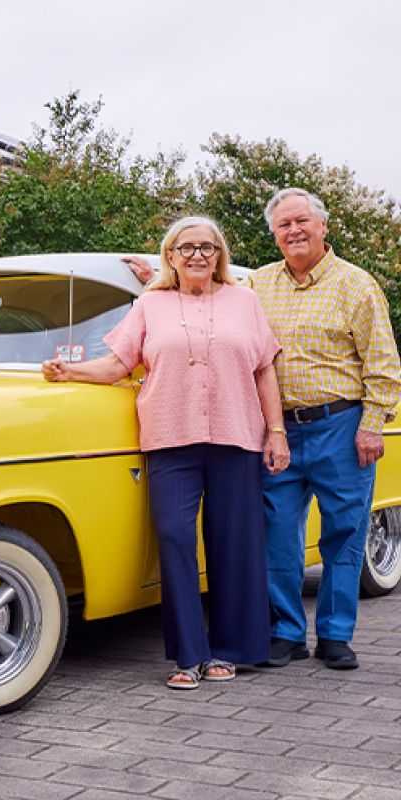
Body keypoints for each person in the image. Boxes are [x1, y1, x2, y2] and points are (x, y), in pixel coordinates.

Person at [127, 190, 401, 670]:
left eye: (301, 222)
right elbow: (203, 301)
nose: (293, 231)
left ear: (322, 226)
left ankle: (335, 635)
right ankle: (288, 632)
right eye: (283, 225)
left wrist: (372, 426)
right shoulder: (257, 286)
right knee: (276, 534)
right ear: (273, 234)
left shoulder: (357, 286)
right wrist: (155, 280)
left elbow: (382, 364)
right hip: (274, 431)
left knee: (344, 533)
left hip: (340, 424)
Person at [44, 216, 289, 690]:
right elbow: (119, 362)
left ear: (219, 255)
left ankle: (230, 650)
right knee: (175, 539)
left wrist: (275, 431)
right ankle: (187, 654)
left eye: (207, 247)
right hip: (170, 438)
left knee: (234, 544)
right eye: (187, 247)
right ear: (170, 256)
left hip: (237, 436)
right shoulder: (150, 304)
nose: (198, 255)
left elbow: (263, 369)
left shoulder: (245, 301)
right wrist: (69, 372)